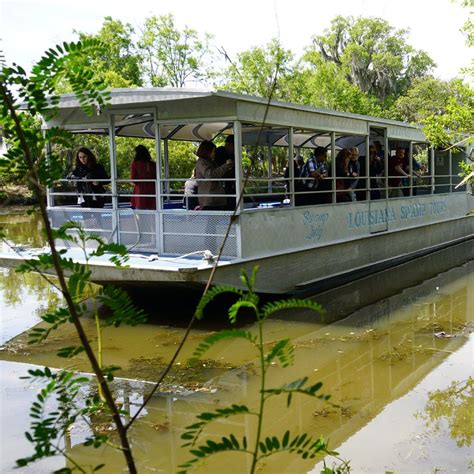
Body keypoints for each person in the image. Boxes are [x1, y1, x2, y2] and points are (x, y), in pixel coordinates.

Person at [195, 140, 234, 210]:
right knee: (213, 220)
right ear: (207, 151)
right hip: (210, 200)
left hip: (214, 199)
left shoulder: (210, 162)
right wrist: (226, 166)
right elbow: (211, 175)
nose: (214, 153)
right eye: (213, 151)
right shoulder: (202, 163)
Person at [130, 145, 156, 210]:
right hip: (152, 189)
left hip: (140, 189)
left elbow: (133, 179)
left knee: (140, 211)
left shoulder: (135, 163)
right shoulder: (153, 164)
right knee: (152, 211)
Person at [215, 135, 236, 209]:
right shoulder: (219, 153)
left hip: (232, 185)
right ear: (229, 145)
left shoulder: (233, 155)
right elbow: (217, 171)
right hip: (222, 186)